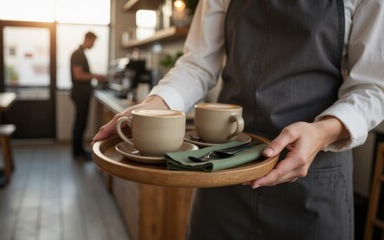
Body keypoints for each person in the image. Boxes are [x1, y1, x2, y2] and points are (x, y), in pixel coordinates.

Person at [93, 1, 384, 239]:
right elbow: (198, 64)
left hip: (314, 180)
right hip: (225, 172)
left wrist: (323, 132)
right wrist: (151, 107)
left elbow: (373, 86)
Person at [71, 31, 106, 160]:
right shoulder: (77, 54)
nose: (93, 45)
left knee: (81, 122)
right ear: (88, 39)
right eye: (93, 42)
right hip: (80, 94)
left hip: (83, 94)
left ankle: (79, 150)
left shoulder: (81, 53)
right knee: (80, 123)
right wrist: (96, 76)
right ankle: (77, 152)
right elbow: (78, 75)